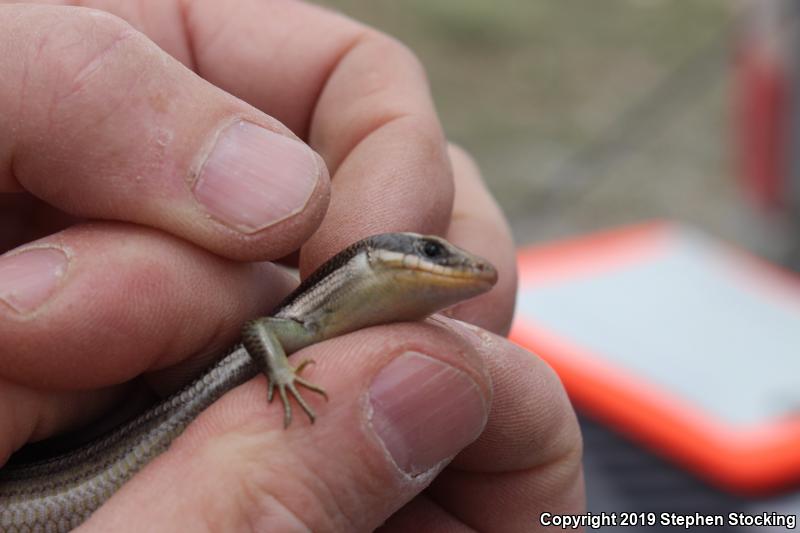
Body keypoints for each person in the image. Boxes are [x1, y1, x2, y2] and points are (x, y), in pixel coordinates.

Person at [0, 1, 584, 530]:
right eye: (432, 252)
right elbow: (260, 331)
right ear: (377, 258)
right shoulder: (305, 321)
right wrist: (280, 375)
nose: (454, 265)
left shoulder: (329, 322)